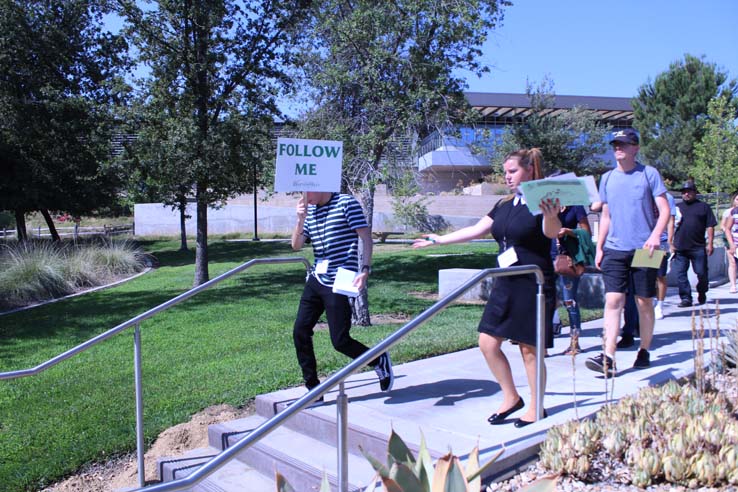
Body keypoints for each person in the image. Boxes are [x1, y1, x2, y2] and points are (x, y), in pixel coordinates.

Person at [413, 148, 562, 427]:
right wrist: (438, 240)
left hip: (534, 283)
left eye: (513, 171)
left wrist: (552, 215)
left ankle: (536, 407)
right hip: (505, 281)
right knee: (487, 343)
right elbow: (477, 230)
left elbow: (551, 233)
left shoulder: (542, 201)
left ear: (530, 171)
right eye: (505, 172)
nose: (507, 177)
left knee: (529, 350)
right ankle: (511, 397)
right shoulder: (504, 204)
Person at [291, 191, 393, 396]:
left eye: (307, 190)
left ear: (320, 186)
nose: (303, 195)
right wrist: (300, 220)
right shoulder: (309, 211)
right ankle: (313, 389)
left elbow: (365, 237)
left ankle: (377, 358)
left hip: (340, 279)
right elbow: (296, 246)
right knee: (300, 331)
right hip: (316, 279)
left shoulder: (345, 203)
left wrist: (365, 270)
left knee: (340, 341)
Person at [586, 128, 670, 377]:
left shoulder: (649, 174)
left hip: (646, 249)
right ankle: (608, 356)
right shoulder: (607, 178)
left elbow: (664, 210)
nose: (618, 148)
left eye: (623, 144)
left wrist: (656, 236)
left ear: (635, 148)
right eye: (615, 144)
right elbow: (607, 215)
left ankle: (644, 349)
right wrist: (599, 247)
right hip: (615, 248)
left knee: (644, 302)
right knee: (613, 300)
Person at [551, 205, 593, 355]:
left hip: (567, 259)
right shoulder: (547, 205)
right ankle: (544, 343)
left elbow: (586, 232)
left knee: (570, 301)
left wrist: (569, 231)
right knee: (546, 299)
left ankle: (574, 342)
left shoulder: (575, 207)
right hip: (548, 256)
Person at [672, 180, 717, 307]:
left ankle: (702, 290)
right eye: (684, 192)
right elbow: (670, 225)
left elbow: (710, 226)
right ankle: (686, 298)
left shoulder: (703, 207)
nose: (686, 194)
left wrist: (710, 243)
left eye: (689, 191)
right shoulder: (677, 208)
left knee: (701, 272)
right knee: (681, 274)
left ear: (695, 193)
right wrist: (670, 242)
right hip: (680, 247)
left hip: (698, 247)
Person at [654, 192, 677, 319]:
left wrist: (669, 241)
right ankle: (649, 301)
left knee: (660, 275)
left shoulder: (667, 197)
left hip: (660, 241)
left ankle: (659, 305)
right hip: (643, 241)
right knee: (645, 274)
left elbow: (670, 221)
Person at [722, 192, 738, 293]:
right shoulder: (732, 212)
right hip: (733, 241)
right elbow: (726, 228)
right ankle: (733, 285)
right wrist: (731, 244)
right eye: (737, 199)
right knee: (732, 263)